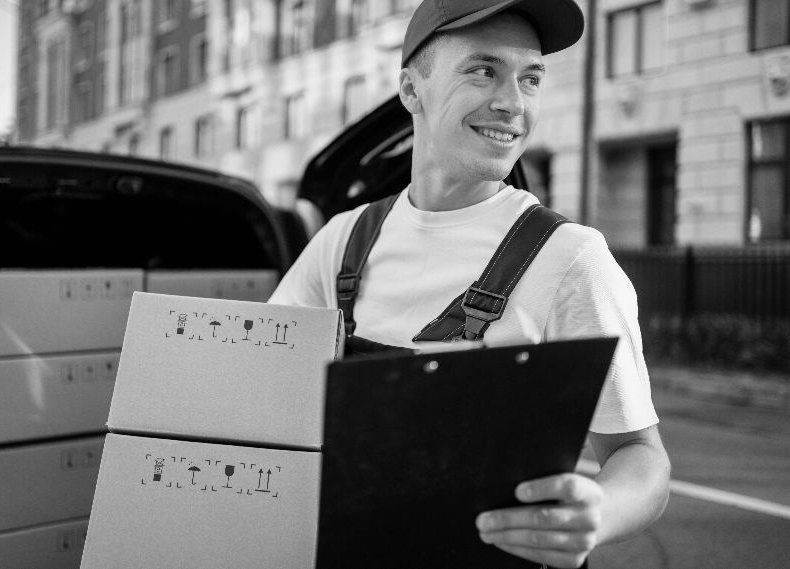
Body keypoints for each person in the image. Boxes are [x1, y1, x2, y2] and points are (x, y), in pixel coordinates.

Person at [269, 0, 671, 567]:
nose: (513, 103)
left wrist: (599, 511)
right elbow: (261, 392)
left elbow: (641, 457)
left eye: (530, 78)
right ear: (412, 90)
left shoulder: (570, 258)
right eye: (483, 70)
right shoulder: (343, 240)